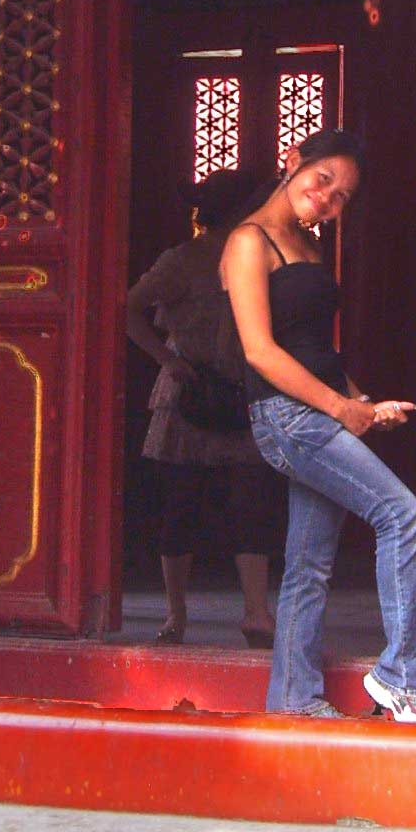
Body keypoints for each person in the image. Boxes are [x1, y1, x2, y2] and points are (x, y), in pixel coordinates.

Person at [220, 128, 416, 723]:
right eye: (323, 181)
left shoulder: (310, 248)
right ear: (293, 162)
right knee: (400, 514)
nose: (327, 199)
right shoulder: (249, 241)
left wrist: (363, 403)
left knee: (309, 565)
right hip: (287, 418)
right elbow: (261, 352)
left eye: (341, 196)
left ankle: (293, 699)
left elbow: (317, 352)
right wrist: (341, 411)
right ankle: (407, 679)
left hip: (316, 411)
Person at [126, 167, 279, 648]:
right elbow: (128, 308)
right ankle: (178, 613)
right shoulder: (183, 260)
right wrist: (167, 359)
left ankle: (253, 613)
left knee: (246, 500)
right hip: (190, 396)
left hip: (243, 388)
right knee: (184, 505)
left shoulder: (261, 256)